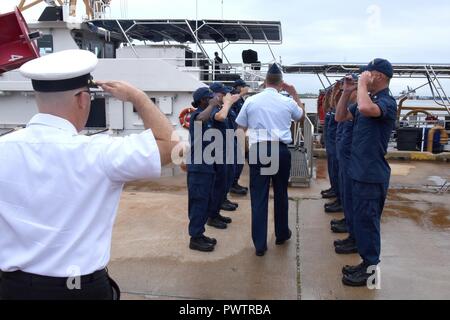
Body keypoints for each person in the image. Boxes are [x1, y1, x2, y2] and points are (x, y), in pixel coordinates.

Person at [0, 49, 177, 300]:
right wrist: (139, 98)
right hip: (79, 290)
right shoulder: (101, 152)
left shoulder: (4, 147)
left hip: (14, 289)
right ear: (83, 99)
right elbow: (170, 147)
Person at [335, 58, 397, 287]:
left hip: (371, 175)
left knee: (369, 224)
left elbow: (364, 108)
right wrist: (347, 91)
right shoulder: (367, 99)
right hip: (358, 172)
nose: (365, 77)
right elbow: (341, 116)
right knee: (360, 221)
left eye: (368, 74)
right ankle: (365, 263)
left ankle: (371, 275)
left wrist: (361, 85)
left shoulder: (386, 102)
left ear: (379, 76)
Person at [236, 64, 304, 256]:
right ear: (281, 83)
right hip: (280, 150)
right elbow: (301, 117)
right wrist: (295, 94)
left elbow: (240, 126)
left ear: (265, 81)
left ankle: (259, 244)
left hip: (259, 150)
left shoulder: (251, 101)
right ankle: (281, 234)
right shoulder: (287, 101)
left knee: (259, 197)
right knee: (281, 193)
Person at [186, 87, 221, 252]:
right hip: (198, 168)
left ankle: (200, 234)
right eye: (209, 98)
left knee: (205, 201)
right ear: (202, 100)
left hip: (207, 167)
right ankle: (195, 238)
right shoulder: (197, 115)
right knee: (198, 202)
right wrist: (212, 105)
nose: (213, 99)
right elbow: (200, 118)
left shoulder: (208, 115)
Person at [206, 83, 240, 229]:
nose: (225, 97)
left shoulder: (221, 106)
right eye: (222, 94)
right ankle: (212, 216)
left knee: (225, 182)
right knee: (218, 184)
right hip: (218, 153)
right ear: (215, 94)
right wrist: (227, 103)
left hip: (226, 149)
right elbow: (219, 117)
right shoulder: (213, 107)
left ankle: (216, 211)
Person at [333, 87, 358, 252]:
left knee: (352, 198)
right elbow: (336, 112)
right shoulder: (351, 108)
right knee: (345, 193)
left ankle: (354, 236)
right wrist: (340, 92)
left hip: (352, 158)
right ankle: (349, 227)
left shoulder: (365, 106)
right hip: (344, 154)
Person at [324, 81, 343, 214]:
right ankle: (334, 190)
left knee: (338, 172)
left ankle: (340, 199)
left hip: (338, 145)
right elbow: (328, 106)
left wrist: (339, 92)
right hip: (331, 143)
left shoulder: (345, 108)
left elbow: (335, 104)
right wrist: (329, 94)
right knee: (332, 168)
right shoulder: (333, 109)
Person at [229, 79, 250, 196]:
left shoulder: (241, 99)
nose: (245, 89)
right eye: (243, 87)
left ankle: (234, 182)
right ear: (238, 87)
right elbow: (230, 104)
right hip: (234, 133)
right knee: (236, 161)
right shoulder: (232, 96)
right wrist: (241, 94)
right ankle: (232, 185)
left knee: (240, 161)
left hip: (240, 133)